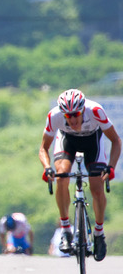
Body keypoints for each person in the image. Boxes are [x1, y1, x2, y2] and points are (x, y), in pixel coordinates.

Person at [39, 89, 121, 262]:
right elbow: (43, 148)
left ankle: (99, 234)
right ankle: (66, 230)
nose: (73, 120)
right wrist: (47, 168)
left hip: (93, 142)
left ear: (83, 110)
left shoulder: (95, 111)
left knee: (96, 186)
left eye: (76, 114)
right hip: (67, 141)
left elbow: (116, 141)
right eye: (68, 116)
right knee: (61, 176)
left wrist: (111, 167)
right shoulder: (54, 116)